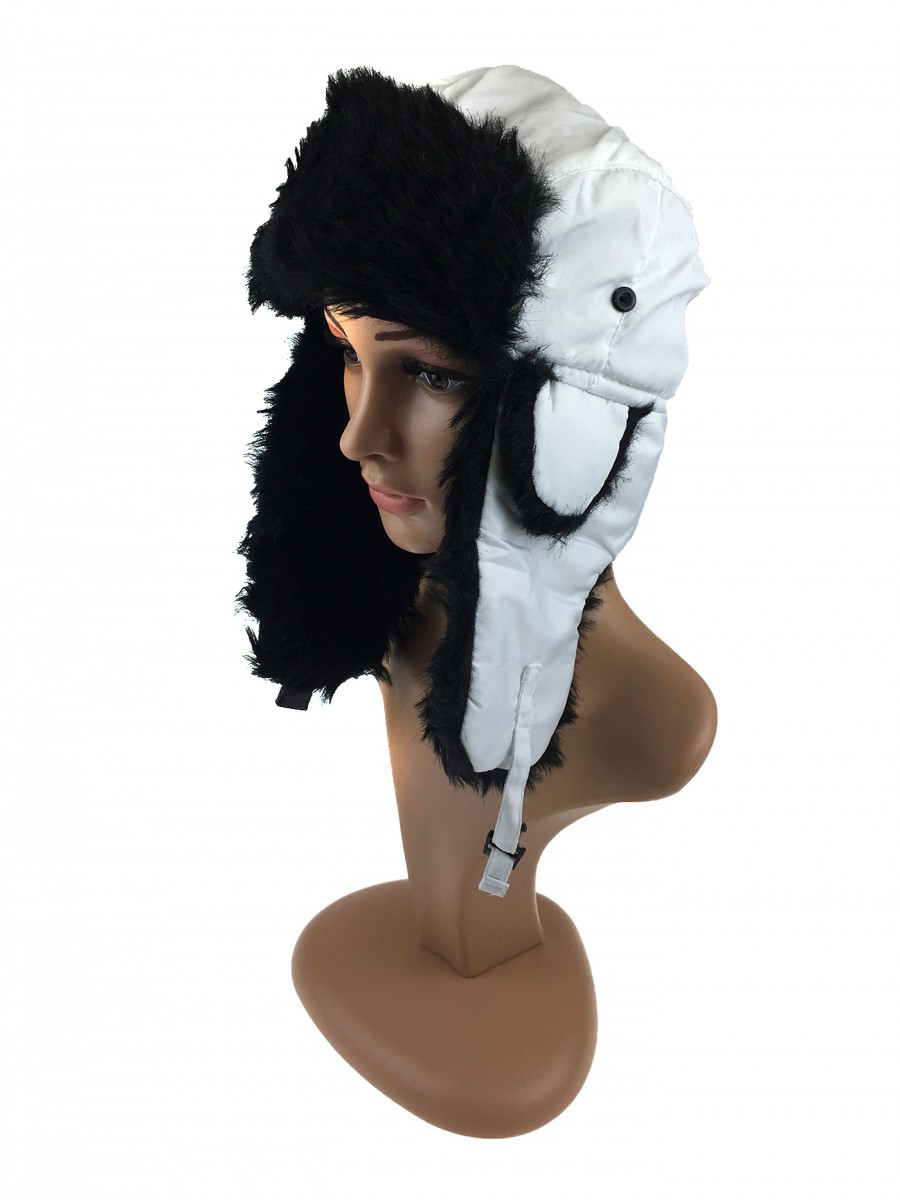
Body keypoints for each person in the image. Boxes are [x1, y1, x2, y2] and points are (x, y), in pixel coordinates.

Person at [236, 64, 715, 1136]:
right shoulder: (395, 611)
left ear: (575, 425)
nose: (358, 435)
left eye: (436, 374)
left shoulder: (655, 720)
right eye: (347, 355)